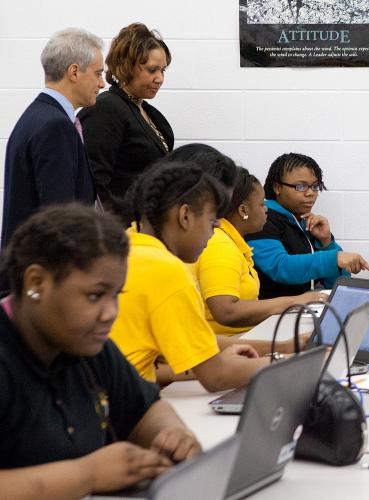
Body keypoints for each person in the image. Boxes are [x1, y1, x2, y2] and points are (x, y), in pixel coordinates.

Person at [0, 204, 201, 497]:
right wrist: (86, 476)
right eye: (95, 295)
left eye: (115, 295)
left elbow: (145, 409)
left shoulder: (90, 347)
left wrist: (174, 435)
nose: (110, 313)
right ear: (36, 283)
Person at [109, 160, 302, 390]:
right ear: (185, 216)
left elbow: (190, 345)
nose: (215, 230)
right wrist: (295, 361)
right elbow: (216, 376)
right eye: (212, 221)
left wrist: (282, 347)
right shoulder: (166, 269)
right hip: (124, 409)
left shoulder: (129, 242)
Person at [2, 28, 103, 249]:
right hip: (44, 273)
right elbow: (60, 218)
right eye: (98, 73)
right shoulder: (55, 126)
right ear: (74, 72)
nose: (102, 83)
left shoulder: (36, 116)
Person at [196, 166, 325, 335]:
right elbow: (227, 311)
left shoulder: (233, 242)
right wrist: (298, 301)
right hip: (227, 343)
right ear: (243, 210)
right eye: (261, 204)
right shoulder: (220, 245)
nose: (266, 209)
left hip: (244, 336)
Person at [247, 153, 369, 299]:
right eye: (301, 186)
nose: (311, 193)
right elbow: (280, 267)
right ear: (277, 187)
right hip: (272, 317)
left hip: (304, 311)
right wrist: (334, 258)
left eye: (315, 186)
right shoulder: (262, 219)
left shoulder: (303, 222)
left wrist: (327, 243)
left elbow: (336, 285)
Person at [78, 23, 173, 206]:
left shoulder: (146, 111)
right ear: (126, 67)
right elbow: (95, 183)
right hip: (122, 227)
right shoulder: (106, 109)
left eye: (162, 70)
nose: (160, 78)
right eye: (152, 70)